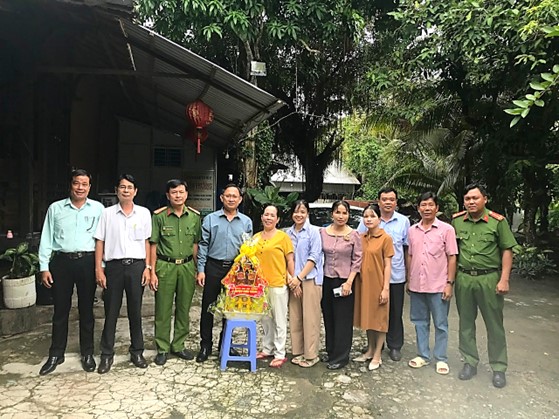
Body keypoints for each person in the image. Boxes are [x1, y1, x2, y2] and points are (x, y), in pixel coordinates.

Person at [38, 169, 104, 375]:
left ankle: (87, 353)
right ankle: (56, 353)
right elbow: (46, 237)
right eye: (76, 183)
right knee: (60, 310)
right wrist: (44, 267)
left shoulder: (98, 209)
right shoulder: (56, 208)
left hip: (87, 262)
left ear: (90, 187)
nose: (80, 188)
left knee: (86, 310)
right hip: (62, 262)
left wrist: (101, 267)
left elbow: (103, 240)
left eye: (84, 184)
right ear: (71, 185)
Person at [452, 183, 517, 388]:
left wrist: (504, 279)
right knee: (466, 323)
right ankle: (469, 362)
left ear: (485, 199)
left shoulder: (498, 222)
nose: (471, 202)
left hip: (489, 278)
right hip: (464, 278)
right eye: (467, 199)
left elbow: (507, 250)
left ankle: (498, 367)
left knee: (494, 324)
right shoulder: (457, 221)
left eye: (475, 198)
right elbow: (452, 251)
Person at [94, 174, 152, 374]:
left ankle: (137, 351)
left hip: (137, 267)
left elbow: (147, 241)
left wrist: (148, 267)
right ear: (116, 190)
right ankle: (106, 354)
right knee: (111, 311)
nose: (126, 190)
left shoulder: (143, 213)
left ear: (135, 191)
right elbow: (99, 241)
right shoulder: (107, 214)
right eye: (122, 187)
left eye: (130, 187)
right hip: (114, 267)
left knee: (135, 311)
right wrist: (99, 269)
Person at [195, 184, 253, 362]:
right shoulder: (210, 219)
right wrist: (201, 270)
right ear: (222, 198)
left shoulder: (246, 222)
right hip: (213, 266)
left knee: (231, 309)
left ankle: (225, 345)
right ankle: (205, 345)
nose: (231, 199)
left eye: (234, 196)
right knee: (208, 307)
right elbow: (203, 245)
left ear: (240, 199)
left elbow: (249, 249)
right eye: (228, 196)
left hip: (235, 270)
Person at [149, 179, 201, 366]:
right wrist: (152, 271)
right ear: (168, 195)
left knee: (184, 308)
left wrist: (197, 269)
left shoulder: (194, 217)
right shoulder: (159, 216)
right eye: (174, 192)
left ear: (186, 194)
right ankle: (162, 348)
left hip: (186, 266)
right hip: (165, 266)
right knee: (163, 309)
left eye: (181, 192)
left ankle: (178, 345)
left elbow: (195, 244)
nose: (178, 196)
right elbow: (153, 245)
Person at [406, 192, 458, 375]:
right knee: (420, 321)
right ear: (418, 208)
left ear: (437, 208)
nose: (427, 208)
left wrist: (449, 283)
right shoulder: (412, 230)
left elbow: (452, 257)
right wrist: (409, 279)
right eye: (423, 205)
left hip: (438, 286)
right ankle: (423, 355)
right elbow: (410, 255)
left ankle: (441, 358)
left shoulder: (446, 230)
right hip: (417, 285)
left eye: (430, 205)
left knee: (441, 323)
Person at [358, 187, 409, 361]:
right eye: (384, 199)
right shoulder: (368, 220)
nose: (388, 202)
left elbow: (407, 248)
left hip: (396, 275)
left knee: (394, 312)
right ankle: (373, 346)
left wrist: (408, 273)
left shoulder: (403, 221)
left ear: (396, 202)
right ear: (379, 201)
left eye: (391, 199)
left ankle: (394, 345)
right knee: (374, 311)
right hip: (373, 278)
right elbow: (359, 242)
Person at [320, 200, 362, 370]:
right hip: (326, 279)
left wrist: (349, 282)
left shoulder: (354, 235)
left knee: (342, 319)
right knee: (328, 317)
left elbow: (357, 260)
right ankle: (331, 351)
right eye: (338, 212)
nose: (341, 216)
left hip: (344, 281)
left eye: (344, 213)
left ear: (348, 215)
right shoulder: (323, 232)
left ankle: (341, 356)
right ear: (332, 214)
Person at [353, 204, 394, 371]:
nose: (368, 219)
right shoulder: (361, 237)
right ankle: (370, 350)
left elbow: (388, 265)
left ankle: (378, 354)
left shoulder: (386, 238)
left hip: (378, 283)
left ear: (379, 219)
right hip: (363, 283)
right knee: (368, 317)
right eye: (366, 216)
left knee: (380, 320)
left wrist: (385, 288)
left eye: (372, 216)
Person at [254, 205, 294, 368]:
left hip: (278, 284)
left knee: (279, 319)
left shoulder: (283, 237)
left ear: (277, 219)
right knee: (265, 319)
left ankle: (280, 353)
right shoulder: (256, 237)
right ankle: (267, 348)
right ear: (262, 217)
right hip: (260, 285)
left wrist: (292, 279)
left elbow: (290, 260)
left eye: (272, 215)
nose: (268, 218)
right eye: (266, 215)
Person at [286, 200, 323, 368]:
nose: (299, 215)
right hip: (292, 281)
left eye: (302, 211)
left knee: (310, 318)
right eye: (296, 211)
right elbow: (285, 257)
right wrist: (291, 280)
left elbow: (314, 257)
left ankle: (311, 355)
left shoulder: (314, 232)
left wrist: (299, 278)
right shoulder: (287, 233)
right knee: (295, 317)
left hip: (310, 280)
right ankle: (299, 351)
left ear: (307, 213)